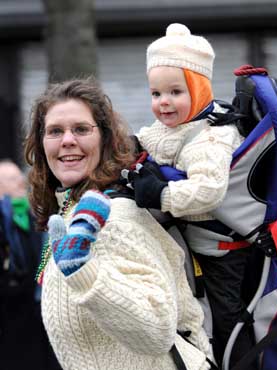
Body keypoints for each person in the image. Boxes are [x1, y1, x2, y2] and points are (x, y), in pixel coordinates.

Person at [24, 77, 213, 370]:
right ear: (41, 143)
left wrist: (83, 272)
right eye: (55, 131)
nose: (68, 140)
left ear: (106, 139)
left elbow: (157, 332)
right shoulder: (72, 211)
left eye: (82, 129)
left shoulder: (114, 218)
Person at [125, 23, 257, 369]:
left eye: (174, 92)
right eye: (155, 94)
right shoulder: (175, 127)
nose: (163, 103)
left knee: (224, 315)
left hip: (220, 250)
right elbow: (147, 141)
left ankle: (239, 362)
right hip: (188, 242)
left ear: (198, 90)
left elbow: (208, 191)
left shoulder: (211, 137)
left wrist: (162, 194)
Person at [0, 159, 61, 370]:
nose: (20, 182)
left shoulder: (32, 213)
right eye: (12, 178)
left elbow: (43, 253)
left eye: (19, 176)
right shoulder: (6, 218)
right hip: (10, 315)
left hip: (37, 309)